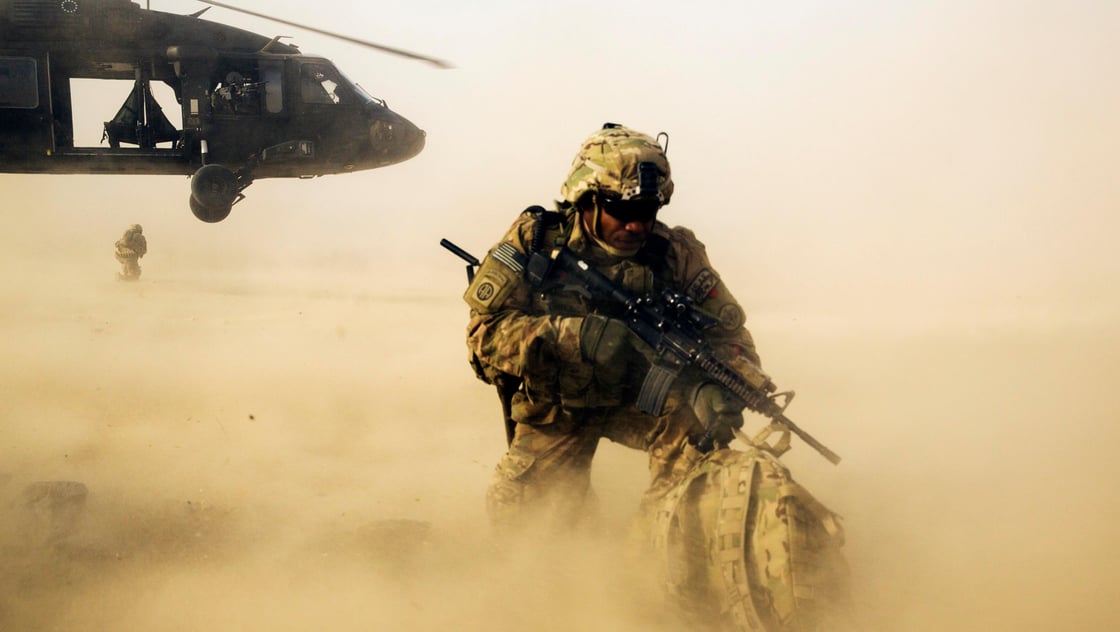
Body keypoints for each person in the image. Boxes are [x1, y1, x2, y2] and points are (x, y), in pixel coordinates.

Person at [463, 123, 764, 534]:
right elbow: (484, 337)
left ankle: (659, 548)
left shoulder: (675, 252)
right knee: (526, 535)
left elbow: (731, 338)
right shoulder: (537, 240)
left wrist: (731, 384)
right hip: (558, 405)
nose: (637, 226)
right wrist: (574, 336)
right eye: (623, 212)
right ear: (586, 200)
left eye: (648, 213)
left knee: (696, 434)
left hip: (642, 400)